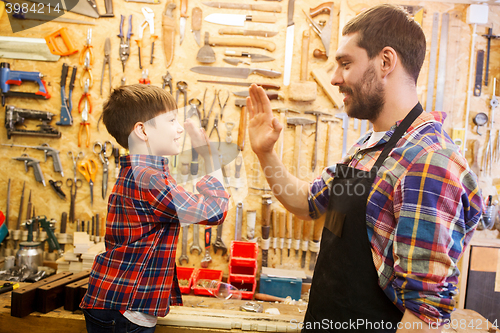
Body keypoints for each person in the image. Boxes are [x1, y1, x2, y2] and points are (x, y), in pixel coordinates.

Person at [247, 4, 482, 332]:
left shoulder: (428, 162)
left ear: (385, 62)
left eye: (345, 63)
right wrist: (265, 153)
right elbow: (307, 203)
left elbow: (424, 317)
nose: (334, 77)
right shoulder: (371, 147)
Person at [80, 84, 230, 332]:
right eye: (171, 120)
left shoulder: (144, 174)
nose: (179, 127)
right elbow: (215, 211)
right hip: (124, 313)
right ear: (142, 131)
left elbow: (186, 203)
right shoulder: (149, 179)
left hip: (116, 305)